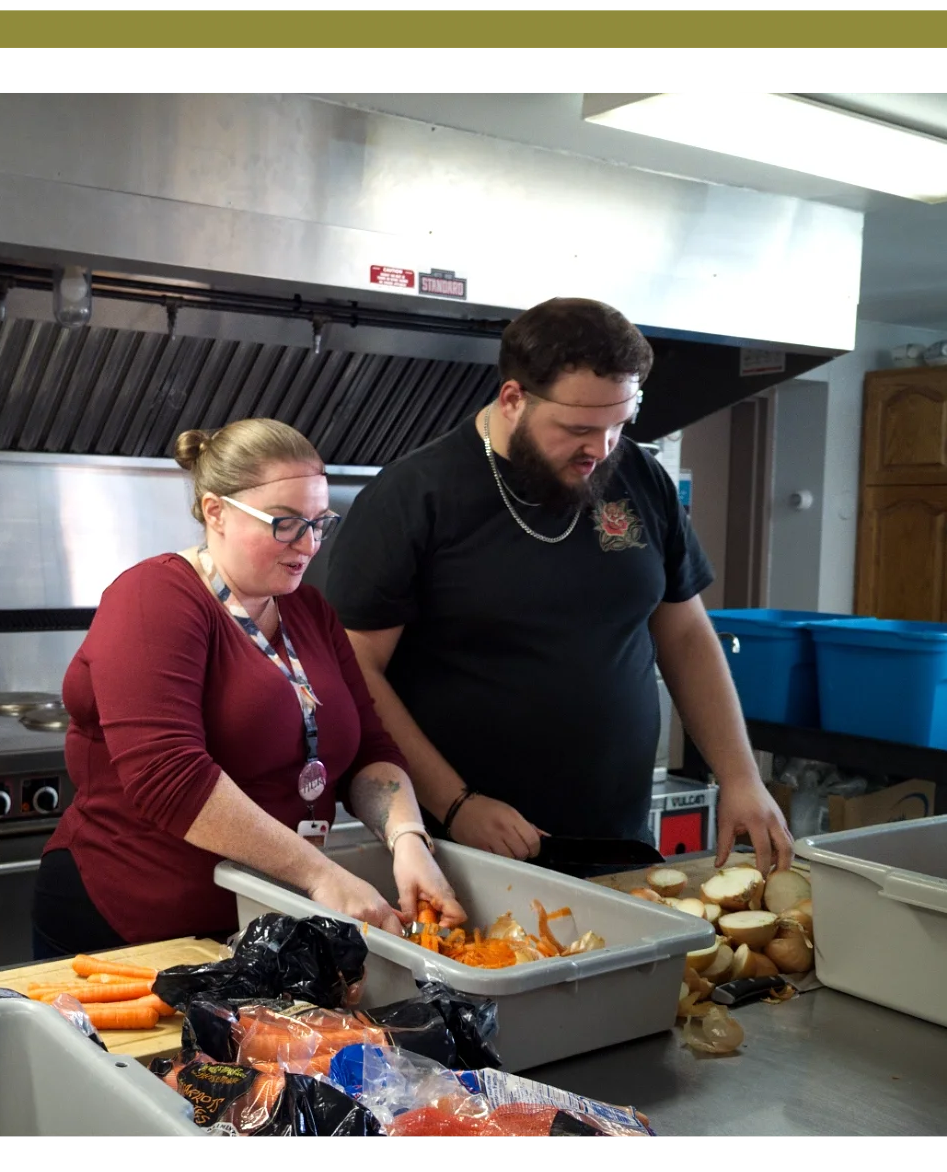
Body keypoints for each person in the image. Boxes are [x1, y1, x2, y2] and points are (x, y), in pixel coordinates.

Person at [320, 297, 796, 880]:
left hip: (619, 839)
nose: (601, 449)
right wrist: (456, 803)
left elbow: (686, 633)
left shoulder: (640, 479)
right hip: (469, 852)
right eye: (579, 428)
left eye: (620, 424)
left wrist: (741, 777)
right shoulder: (414, 498)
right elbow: (354, 668)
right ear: (514, 399)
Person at [31, 418, 467, 960]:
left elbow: (370, 750)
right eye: (285, 523)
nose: (308, 544)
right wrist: (320, 875)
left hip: (260, 921)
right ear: (216, 511)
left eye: (319, 522)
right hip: (136, 927)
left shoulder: (310, 611)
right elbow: (168, 777)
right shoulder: (156, 597)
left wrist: (408, 841)